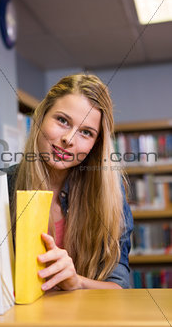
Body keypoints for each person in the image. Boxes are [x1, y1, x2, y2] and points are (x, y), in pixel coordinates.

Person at [7, 73, 133, 291]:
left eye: (86, 132)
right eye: (62, 120)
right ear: (41, 117)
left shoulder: (110, 198)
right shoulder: (1, 186)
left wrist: (77, 282)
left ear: (96, 144)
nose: (69, 139)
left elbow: (120, 287)